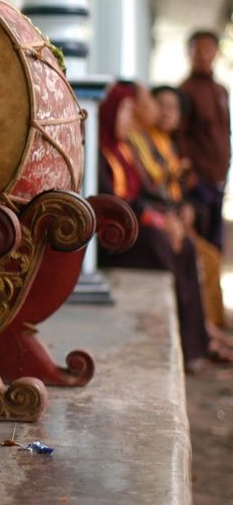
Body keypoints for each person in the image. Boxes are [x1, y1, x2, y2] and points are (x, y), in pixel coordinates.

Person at [98, 82, 226, 372]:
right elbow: (109, 201)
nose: (129, 120)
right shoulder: (102, 150)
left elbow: (143, 195)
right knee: (161, 243)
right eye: (125, 112)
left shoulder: (123, 149)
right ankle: (191, 341)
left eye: (131, 112)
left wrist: (167, 216)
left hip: (132, 226)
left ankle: (195, 344)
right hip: (112, 238)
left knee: (186, 246)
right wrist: (158, 219)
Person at [179, 30, 230, 251]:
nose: (203, 55)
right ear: (189, 53)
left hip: (218, 178)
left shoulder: (221, 90)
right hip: (197, 181)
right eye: (197, 49)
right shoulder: (185, 90)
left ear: (217, 53)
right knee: (200, 242)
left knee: (215, 242)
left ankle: (212, 285)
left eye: (208, 49)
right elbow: (180, 135)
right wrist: (189, 173)